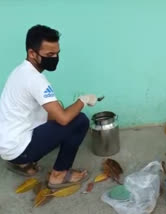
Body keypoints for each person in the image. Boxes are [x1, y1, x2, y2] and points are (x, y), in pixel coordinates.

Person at [0, 25, 98, 189]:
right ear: (32, 53)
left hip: (6, 144)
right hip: (19, 148)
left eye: (57, 53)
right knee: (79, 120)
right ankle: (58, 175)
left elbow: (50, 113)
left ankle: (22, 164)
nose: (55, 57)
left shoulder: (19, 71)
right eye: (50, 54)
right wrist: (83, 100)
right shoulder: (36, 80)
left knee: (58, 108)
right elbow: (64, 119)